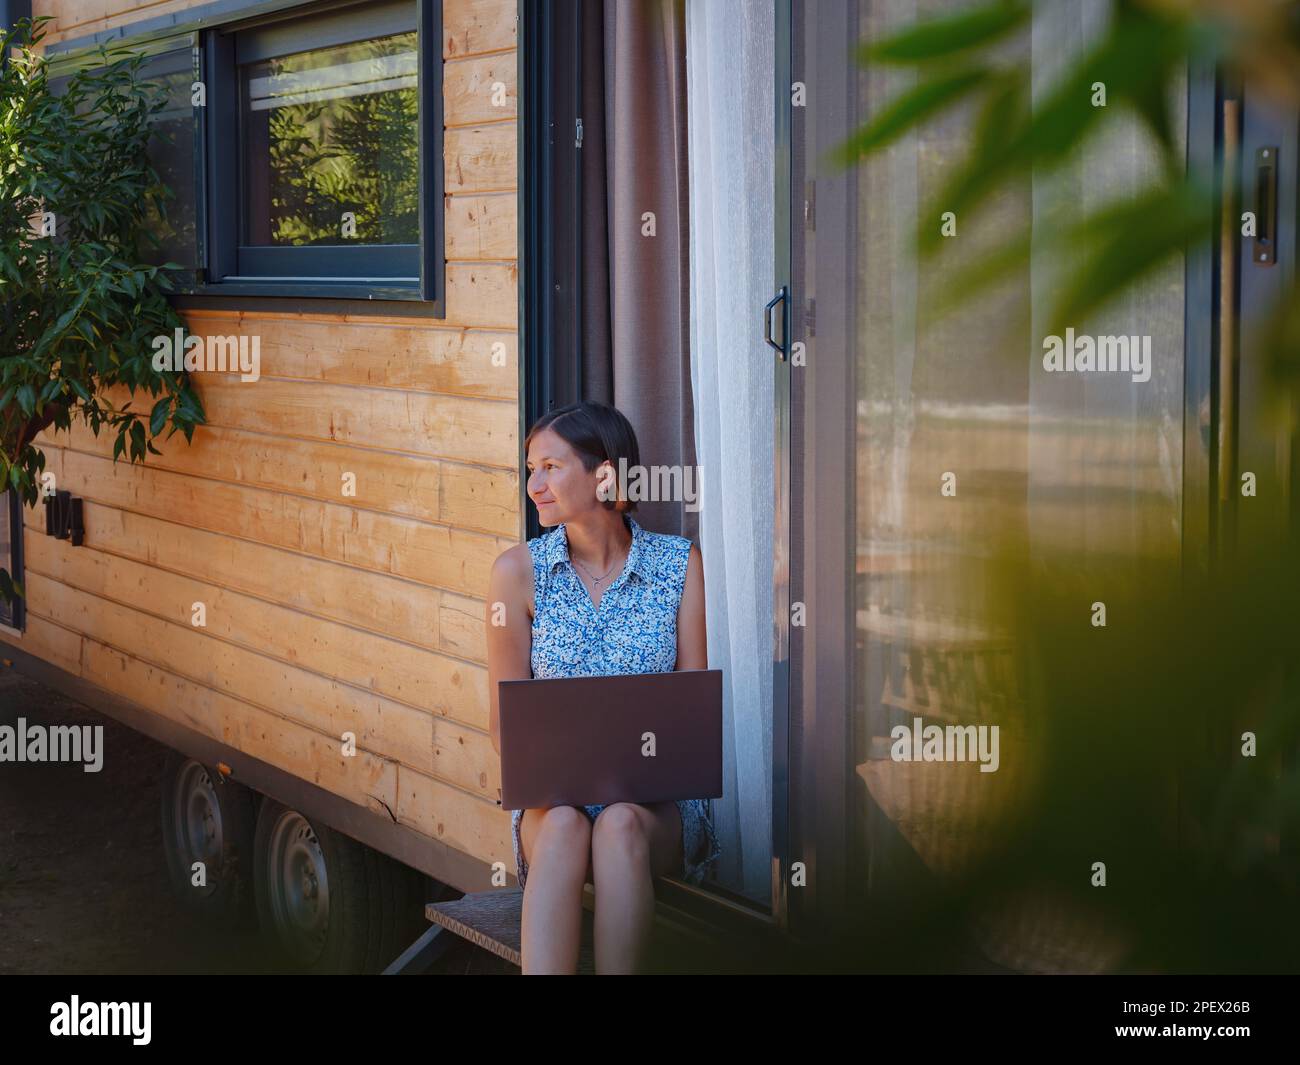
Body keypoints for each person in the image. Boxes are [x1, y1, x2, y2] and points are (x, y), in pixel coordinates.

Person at [486, 400, 721, 974]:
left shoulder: (678, 565)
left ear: (606, 474)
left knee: (617, 822)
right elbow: (504, 727)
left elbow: (692, 715)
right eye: (530, 470)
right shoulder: (516, 573)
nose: (534, 485)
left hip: (652, 809)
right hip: (554, 803)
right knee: (567, 825)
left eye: (551, 467)